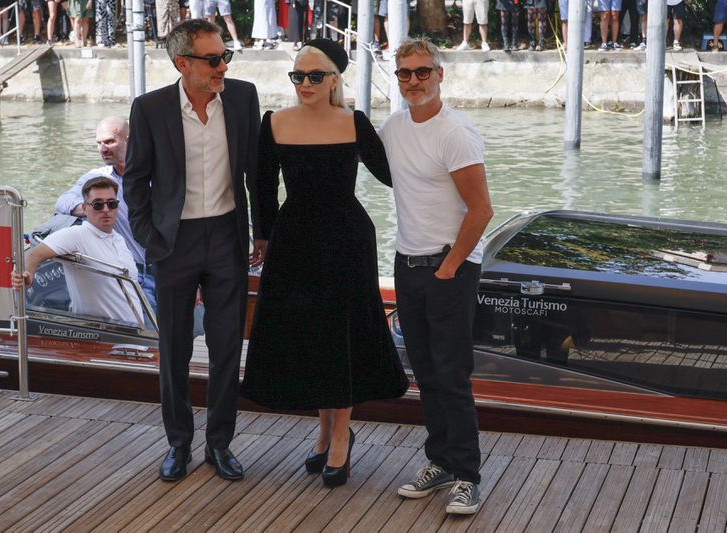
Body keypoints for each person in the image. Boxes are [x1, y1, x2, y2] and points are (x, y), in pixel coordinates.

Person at [239, 38, 408, 489]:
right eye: (298, 76)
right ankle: (326, 431)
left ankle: (338, 439)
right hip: (294, 237)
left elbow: (394, 175)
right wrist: (263, 237)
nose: (306, 83)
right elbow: (261, 187)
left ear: (335, 78)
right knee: (313, 333)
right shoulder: (274, 121)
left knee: (342, 333)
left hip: (347, 238)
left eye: (316, 76)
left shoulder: (353, 121)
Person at [123, 18, 263, 483]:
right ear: (183, 63)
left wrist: (261, 233)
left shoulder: (242, 98)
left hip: (227, 236)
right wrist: (149, 237)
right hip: (173, 241)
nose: (223, 65)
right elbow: (135, 180)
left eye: (225, 56)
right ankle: (178, 444)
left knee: (227, 346)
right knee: (174, 348)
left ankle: (219, 444)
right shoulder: (150, 108)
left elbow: (257, 174)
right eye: (214, 59)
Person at [379, 38, 493, 515]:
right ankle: (440, 461)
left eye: (422, 72)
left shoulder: (456, 133)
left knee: (452, 375)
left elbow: (482, 209)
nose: (413, 81)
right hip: (407, 264)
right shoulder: (392, 128)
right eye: (405, 73)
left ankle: (467, 475)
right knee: (424, 373)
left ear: (440, 74)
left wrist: (449, 268)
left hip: (450, 267)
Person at [54, 116, 157, 312]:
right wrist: (94, 207)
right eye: (99, 143)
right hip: (134, 273)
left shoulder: (157, 174)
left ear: (130, 140)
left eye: (110, 141)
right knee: (149, 335)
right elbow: (63, 202)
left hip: (167, 268)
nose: (103, 148)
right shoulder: (98, 178)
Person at [13, 176, 143, 326]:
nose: (106, 210)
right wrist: (26, 278)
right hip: (107, 337)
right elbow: (33, 255)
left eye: (112, 204)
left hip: (137, 333)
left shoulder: (118, 239)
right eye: (98, 205)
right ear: (85, 208)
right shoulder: (77, 235)